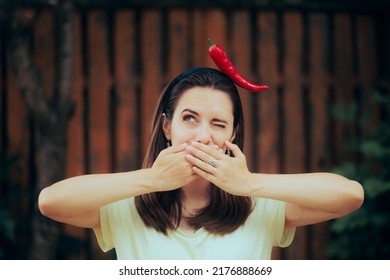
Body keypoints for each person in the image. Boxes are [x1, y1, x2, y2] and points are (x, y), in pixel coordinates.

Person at [38, 67, 364, 260]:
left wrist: (248, 184)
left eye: (218, 124)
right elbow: (50, 202)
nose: (202, 135)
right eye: (190, 119)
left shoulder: (260, 205)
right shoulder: (125, 206)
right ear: (167, 127)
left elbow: (350, 195)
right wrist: (152, 179)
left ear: (232, 135)